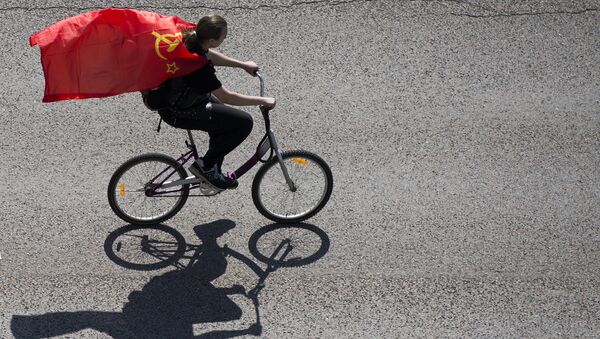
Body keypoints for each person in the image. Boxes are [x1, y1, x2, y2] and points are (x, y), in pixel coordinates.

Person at [158, 14, 276, 190]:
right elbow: (227, 96)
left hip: (182, 100)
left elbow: (209, 55)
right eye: (223, 37)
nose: (225, 38)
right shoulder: (198, 67)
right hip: (180, 111)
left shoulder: (191, 38)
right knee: (244, 123)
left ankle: (212, 169)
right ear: (212, 40)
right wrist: (262, 100)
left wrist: (242, 64)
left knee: (224, 120)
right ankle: (206, 166)